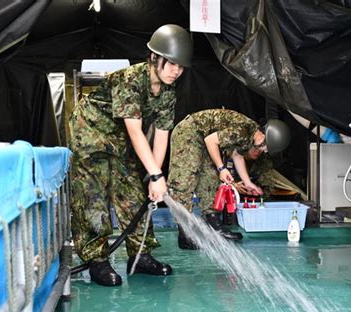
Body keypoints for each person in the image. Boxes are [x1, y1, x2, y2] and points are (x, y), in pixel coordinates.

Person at [68, 24, 193, 286]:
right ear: (154, 58)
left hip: (117, 135)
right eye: (171, 63)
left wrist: (153, 176)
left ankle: (140, 256)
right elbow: (136, 132)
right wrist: (158, 175)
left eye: (180, 67)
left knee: (133, 193)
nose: (176, 71)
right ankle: (97, 261)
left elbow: (162, 133)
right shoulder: (131, 80)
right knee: (94, 195)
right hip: (89, 130)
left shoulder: (168, 92)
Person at [167, 108, 291, 249]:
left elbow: (236, 155)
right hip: (189, 133)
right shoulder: (243, 131)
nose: (266, 151)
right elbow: (210, 140)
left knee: (210, 179)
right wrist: (222, 168)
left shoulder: (250, 134)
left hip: (203, 139)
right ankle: (185, 235)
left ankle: (215, 227)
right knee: (185, 179)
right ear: (263, 138)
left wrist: (248, 183)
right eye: (267, 148)